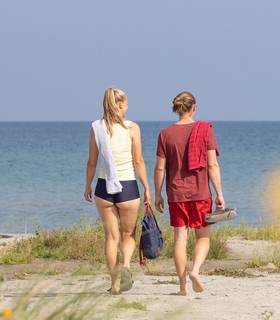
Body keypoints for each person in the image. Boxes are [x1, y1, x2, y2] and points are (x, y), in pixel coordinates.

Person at [154, 91, 225, 295]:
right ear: (194, 107)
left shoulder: (165, 134)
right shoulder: (205, 130)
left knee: (180, 239)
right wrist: (219, 192)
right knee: (203, 237)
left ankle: (183, 286)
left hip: (176, 194)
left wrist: (158, 193)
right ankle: (195, 271)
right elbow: (212, 165)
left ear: (177, 109)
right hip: (201, 193)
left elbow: (160, 168)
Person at [84, 87, 150, 293]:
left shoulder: (96, 128)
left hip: (104, 186)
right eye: (127, 103)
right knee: (128, 234)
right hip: (128, 187)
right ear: (120, 104)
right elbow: (138, 161)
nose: (127, 107)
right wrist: (147, 187)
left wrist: (87, 185)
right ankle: (127, 266)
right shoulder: (132, 128)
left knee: (111, 237)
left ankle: (114, 285)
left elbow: (92, 162)